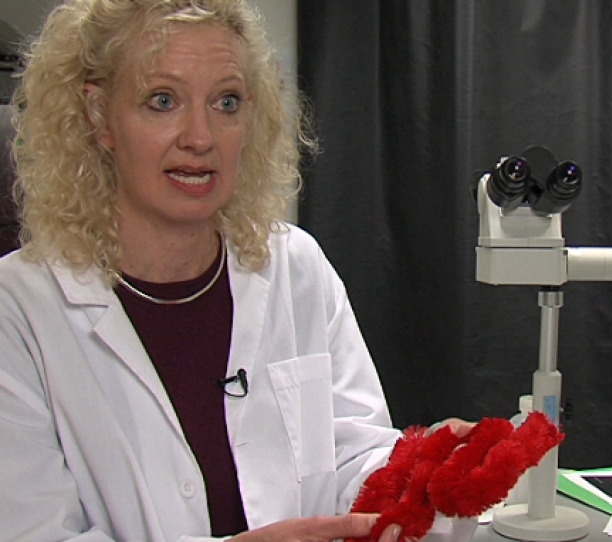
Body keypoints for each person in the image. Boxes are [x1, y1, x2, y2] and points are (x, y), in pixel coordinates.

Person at [0, 1, 469, 541]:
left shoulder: (295, 266)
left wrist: (421, 475)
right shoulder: (19, 311)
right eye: (162, 101)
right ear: (99, 116)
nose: (201, 137)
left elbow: (353, 456)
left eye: (226, 102)